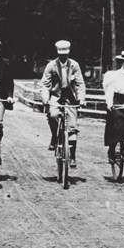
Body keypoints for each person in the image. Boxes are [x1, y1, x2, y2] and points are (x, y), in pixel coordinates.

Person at [40, 40, 86, 168]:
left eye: (65, 54)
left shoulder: (74, 65)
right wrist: (45, 99)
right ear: (58, 53)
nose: (63, 56)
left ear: (68, 52)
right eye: (61, 54)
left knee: (72, 126)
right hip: (56, 96)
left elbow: (80, 84)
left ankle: (72, 156)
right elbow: (44, 84)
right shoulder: (51, 66)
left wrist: (81, 98)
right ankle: (55, 137)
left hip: (70, 97)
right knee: (53, 115)